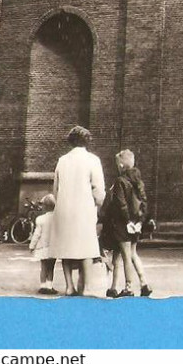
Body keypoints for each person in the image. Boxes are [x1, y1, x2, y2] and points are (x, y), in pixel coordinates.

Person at [48, 126, 105, 296]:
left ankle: (69, 286)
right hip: (84, 209)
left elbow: (55, 189)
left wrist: (61, 203)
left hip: (64, 209)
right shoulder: (93, 160)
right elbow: (98, 189)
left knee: (66, 246)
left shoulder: (62, 160)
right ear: (87, 141)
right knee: (86, 247)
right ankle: (86, 287)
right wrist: (99, 204)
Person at [103, 149, 152, 298]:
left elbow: (121, 203)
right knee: (132, 254)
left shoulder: (120, 181)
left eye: (118, 163)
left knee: (123, 256)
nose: (117, 166)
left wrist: (127, 221)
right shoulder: (138, 181)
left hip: (122, 224)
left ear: (122, 165)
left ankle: (128, 287)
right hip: (136, 224)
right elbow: (144, 202)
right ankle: (143, 284)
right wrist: (139, 222)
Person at [28, 194, 57, 295]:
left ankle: (42, 285)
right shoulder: (57, 218)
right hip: (54, 247)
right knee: (51, 267)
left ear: (44, 206)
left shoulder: (40, 219)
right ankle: (50, 286)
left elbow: (37, 234)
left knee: (43, 267)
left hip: (42, 246)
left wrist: (32, 246)